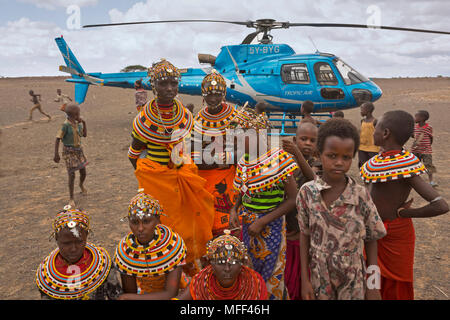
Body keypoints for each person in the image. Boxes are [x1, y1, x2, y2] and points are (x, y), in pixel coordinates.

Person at [127, 59, 215, 276]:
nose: (169, 89)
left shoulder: (185, 115)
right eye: (163, 84)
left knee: (191, 221)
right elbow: (133, 154)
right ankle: (166, 271)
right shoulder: (143, 120)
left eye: (173, 83)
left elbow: (187, 147)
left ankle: (190, 266)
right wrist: (148, 177)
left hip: (183, 177)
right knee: (162, 226)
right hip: (157, 183)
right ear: (153, 86)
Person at [360, 110, 448, 300]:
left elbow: (441, 205)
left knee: (394, 287)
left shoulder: (405, 166)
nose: (373, 131)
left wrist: (407, 214)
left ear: (385, 134)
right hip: (373, 233)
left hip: (394, 236)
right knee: (371, 283)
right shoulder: (379, 161)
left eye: (376, 128)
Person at [297, 118, 386, 300]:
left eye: (346, 157)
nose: (339, 162)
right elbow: (304, 235)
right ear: (319, 153)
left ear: (353, 157)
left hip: (353, 278)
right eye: (332, 155)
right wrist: (304, 281)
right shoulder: (307, 193)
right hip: (318, 276)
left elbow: (372, 240)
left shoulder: (361, 195)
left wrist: (373, 284)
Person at [229, 112, 299, 300]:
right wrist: (234, 209)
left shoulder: (279, 160)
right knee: (249, 267)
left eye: (239, 138)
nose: (235, 142)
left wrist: (263, 221)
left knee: (272, 270)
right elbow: (244, 191)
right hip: (248, 223)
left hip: (272, 224)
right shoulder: (244, 160)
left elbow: (293, 199)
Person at [191, 70, 240, 237]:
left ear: (224, 94)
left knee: (231, 226)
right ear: (203, 95)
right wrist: (222, 157)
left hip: (231, 179)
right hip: (206, 180)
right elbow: (195, 157)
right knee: (209, 227)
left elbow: (243, 152)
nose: (213, 98)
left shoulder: (236, 117)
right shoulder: (197, 121)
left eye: (217, 94)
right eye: (209, 94)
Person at [35, 206, 121, 300]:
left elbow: (115, 295)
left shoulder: (103, 264)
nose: (73, 249)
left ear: (86, 236)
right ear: (56, 238)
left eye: (79, 242)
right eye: (66, 243)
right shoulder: (46, 277)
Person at [114, 191, 187, 300]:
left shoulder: (173, 245)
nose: (140, 228)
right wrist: (129, 297)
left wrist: (127, 297)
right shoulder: (125, 251)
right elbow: (131, 292)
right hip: (142, 294)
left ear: (158, 220)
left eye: (146, 221)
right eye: (134, 222)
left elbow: (171, 293)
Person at [281, 121, 318, 300]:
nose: (308, 144)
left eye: (313, 140)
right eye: (304, 139)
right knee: (287, 280)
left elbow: (314, 181)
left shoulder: (317, 164)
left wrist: (297, 152)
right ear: (295, 140)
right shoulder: (286, 163)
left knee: (302, 279)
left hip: (305, 236)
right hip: (286, 230)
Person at [175, 229, 268, 300]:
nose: (227, 269)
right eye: (220, 263)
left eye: (233, 262)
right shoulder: (200, 281)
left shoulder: (255, 283)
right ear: (209, 263)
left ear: (242, 264)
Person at [54, 103, 88, 208]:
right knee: (72, 174)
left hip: (78, 151)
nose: (80, 115)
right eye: (78, 113)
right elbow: (57, 138)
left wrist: (84, 123)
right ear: (74, 115)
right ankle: (71, 198)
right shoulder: (65, 125)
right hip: (69, 152)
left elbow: (84, 135)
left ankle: (81, 184)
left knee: (83, 172)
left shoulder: (78, 124)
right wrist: (56, 154)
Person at [411, 110, 437, 187]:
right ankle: (414, 180)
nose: (414, 118)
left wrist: (428, 146)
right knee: (414, 165)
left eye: (416, 116)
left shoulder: (428, 128)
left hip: (426, 150)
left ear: (422, 118)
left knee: (428, 165)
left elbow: (431, 138)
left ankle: (431, 181)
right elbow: (413, 136)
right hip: (415, 150)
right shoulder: (415, 127)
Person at [358, 102, 379, 168]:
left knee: (373, 167)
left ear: (368, 110)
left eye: (362, 109)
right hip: (362, 148)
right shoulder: (362, 121)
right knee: (363, 166)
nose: (361, 111)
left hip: (373, 149)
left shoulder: (375, 121)